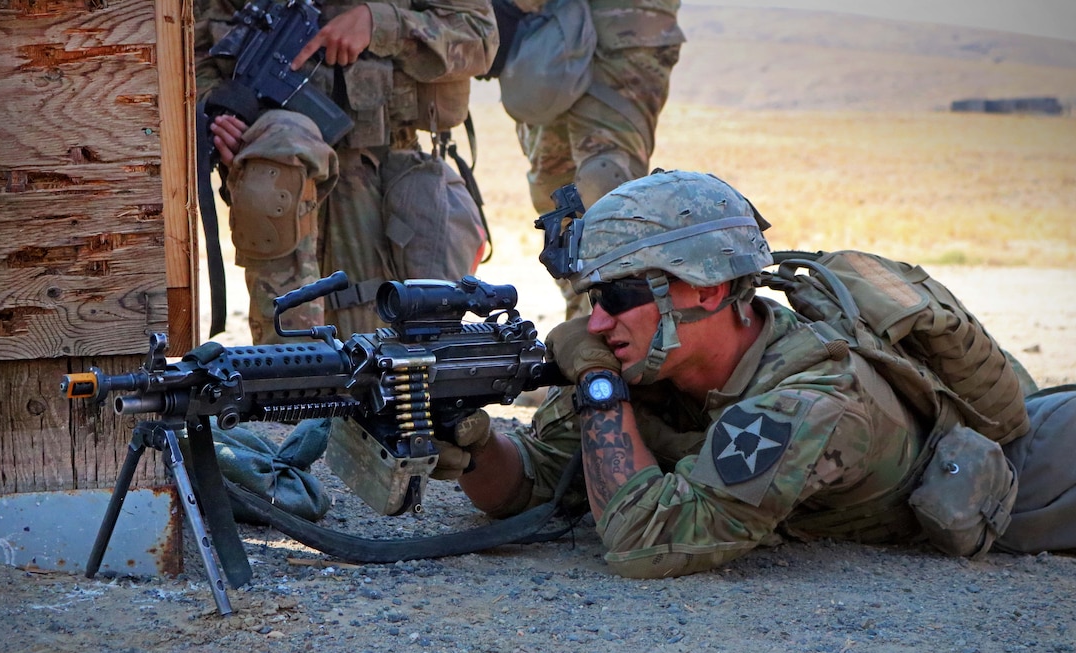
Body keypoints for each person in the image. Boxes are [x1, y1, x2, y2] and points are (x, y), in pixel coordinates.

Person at [436, 169, 1076, 579]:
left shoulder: (809, 396)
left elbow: (644, 542)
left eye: (618, 296)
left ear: (708, 292)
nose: (595, 324)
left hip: (1036, 473)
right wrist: (474, 446)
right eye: (591, 301)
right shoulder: (660, 363)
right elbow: (541, 485)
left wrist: (599, 388)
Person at [195, 0, 498, 343]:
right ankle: (295, 379)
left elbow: (480, 38)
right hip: (279, 174)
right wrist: (217, 109)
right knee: (297, 368)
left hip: (382, 167)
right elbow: (192, 48)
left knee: (388, 347)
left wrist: (378, 23)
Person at [498, 0, 685, 319]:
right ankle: (587, 317)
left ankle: (622, 317)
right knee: (554, 188)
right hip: (549, 26)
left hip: (622, 24)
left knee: (605, 181)